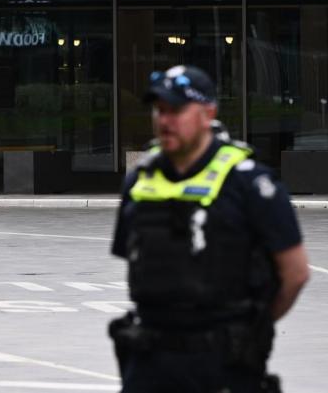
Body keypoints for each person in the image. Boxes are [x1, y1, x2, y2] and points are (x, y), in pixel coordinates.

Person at [109, 65, 310, 393]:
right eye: (159, 110)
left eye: (176, 110)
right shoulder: (140, 180)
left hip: (222, 363)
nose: (164, 120)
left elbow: (296, 273)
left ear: (208, 113)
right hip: (149, 361)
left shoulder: (250, 182)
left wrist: (252, 328)